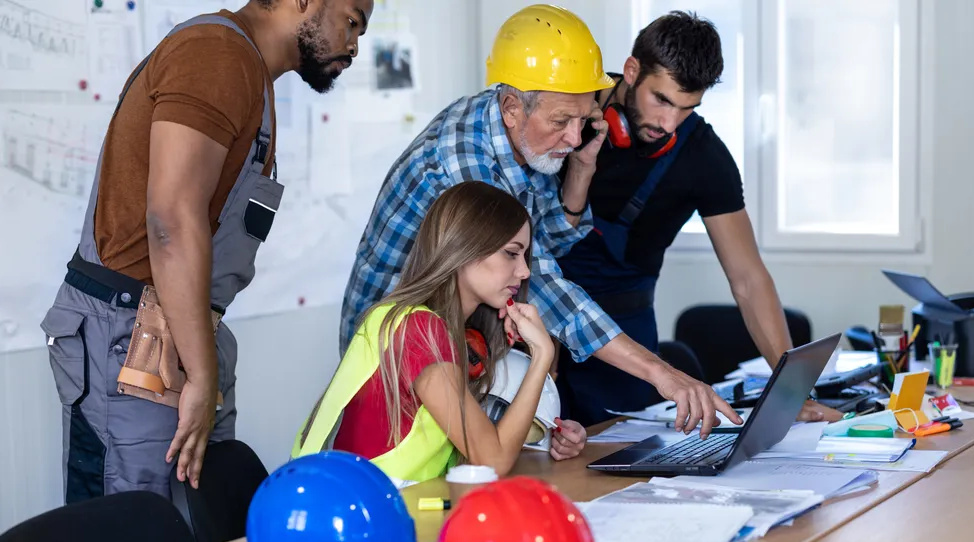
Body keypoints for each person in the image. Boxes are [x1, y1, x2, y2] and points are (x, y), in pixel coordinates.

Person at [340, 4, 742, 439]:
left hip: (460, 338)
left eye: (581, 118)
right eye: (561, 122)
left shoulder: (529, 138)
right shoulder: (461, 161)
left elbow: (549, 241)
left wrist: (582, 172)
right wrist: (659, 372)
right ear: (512, 107)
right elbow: (545, 285)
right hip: (394, 352)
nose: (573, 137)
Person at [39, 0, 374, 504]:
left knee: (194, 530)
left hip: (177, 336)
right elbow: (171, 220)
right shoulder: (217, 54)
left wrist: (201, 367)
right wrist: (199, 372)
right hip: (129, 336)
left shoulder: (249, 73)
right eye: (352, 21)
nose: (353, 47)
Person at [554, 11, 844, 427]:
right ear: (632, 71)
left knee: (615, 464)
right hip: (535, 318)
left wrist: (792, 391)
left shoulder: (703, 157)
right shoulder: (568, 115)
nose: (668, 123)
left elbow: (748, 278)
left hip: (625, 335)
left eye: (687, 108)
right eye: (662, 100)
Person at [295, 182, 588, 484]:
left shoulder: (443, 329)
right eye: (511, 254)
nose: (524, 271)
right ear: (464, 250)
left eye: (524, 256)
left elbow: (477, 449)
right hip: (360, 512)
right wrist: (542, 356)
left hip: (389, 503)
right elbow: (493, 460)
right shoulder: (420, 330)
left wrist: (548, 436)